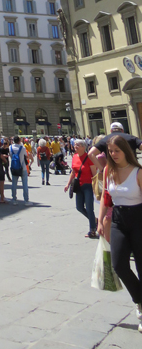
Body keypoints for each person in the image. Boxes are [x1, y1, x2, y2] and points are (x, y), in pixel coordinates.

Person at [98, 135, 142, 329]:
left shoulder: (138, 172)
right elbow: (104, 197)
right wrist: (100, 220)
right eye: (110, 151)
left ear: (126, 151)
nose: (113, 154)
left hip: (139, 220)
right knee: (118, 265)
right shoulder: (108, 170)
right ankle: (139, 300)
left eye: (117, 150)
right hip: (118, 220)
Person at [64, 138, 97, 238]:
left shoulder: (89, 157)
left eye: (77, 145)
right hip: (79, 186)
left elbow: (94, 174)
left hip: (88, 185)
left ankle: (92, 230)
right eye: (75, 145)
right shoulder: (74, 157)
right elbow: (73, 172)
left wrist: (96, 187)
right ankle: (94, 221)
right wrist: (68, 184)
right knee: (79, 207)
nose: (75, 147)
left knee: (89, 208)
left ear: (83, 147)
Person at [9, 136, 30, 205]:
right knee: (25, 184)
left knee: (14, 184)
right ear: (19, 141)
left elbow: (10, 156)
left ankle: (14, 199)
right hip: (22, 167)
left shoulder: (10, 147)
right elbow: (26, 155)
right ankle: (26, 200)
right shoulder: (22, 148)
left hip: (14, 167)